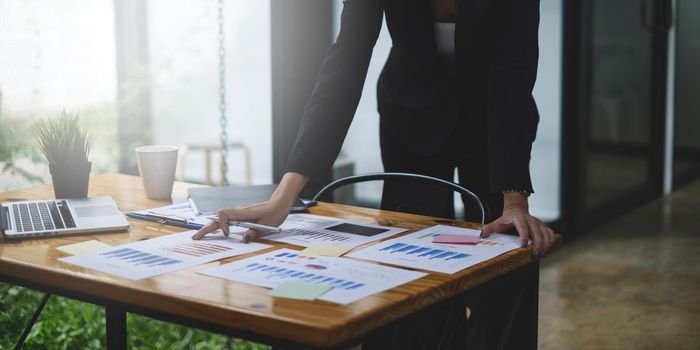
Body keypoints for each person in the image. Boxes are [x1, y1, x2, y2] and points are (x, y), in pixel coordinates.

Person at [194, 0, 555, 348]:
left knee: (506, 266)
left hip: (495, 126)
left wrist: (514, 198)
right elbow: (345, 62)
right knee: (415, 273)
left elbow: (513, 68)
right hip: (412, 119)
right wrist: (283, 197)